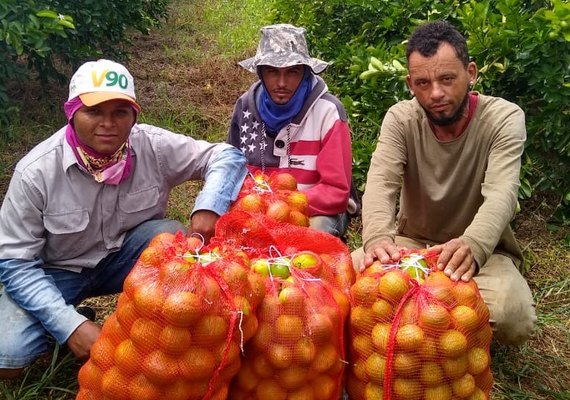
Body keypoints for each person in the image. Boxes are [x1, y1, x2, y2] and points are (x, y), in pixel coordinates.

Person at [0, 59, 247, 378]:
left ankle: (158, 333)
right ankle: (70, 318)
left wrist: (208, 207)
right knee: (6, 359)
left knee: (170, 236)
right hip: (57, 272)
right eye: (94, 112)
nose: (108, 123)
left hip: (126, 259)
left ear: (134, 116)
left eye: (120, 112)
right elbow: (16, 263)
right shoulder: (36, 173)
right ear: (72, 113)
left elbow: (226, 155)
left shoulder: (151, 145)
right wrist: (70, 326)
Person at [352, 21, 536, 346]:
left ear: (471, 73)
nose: (435, 93)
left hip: (481, 254)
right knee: (344, 282)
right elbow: (381, 182)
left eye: (447, 79)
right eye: (423, 83)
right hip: (410, 246)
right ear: (410, 84)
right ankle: (426, 325)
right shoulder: (401, 119)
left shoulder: (504, 118)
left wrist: (473, 245)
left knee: (513, 316)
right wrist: (379, 238)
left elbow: (501, 194)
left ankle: (430, 324)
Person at [227, 24, 359, 239]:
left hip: (314, 209)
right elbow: (229, 170)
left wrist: (283, 204)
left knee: (314, 234)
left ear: (305, 72)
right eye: (272, 72)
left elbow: (336, 191)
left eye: (292, 72)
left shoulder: (328, 111)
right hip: (258, 210)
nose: (281, 83)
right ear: (260, 72)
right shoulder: (244, 107)